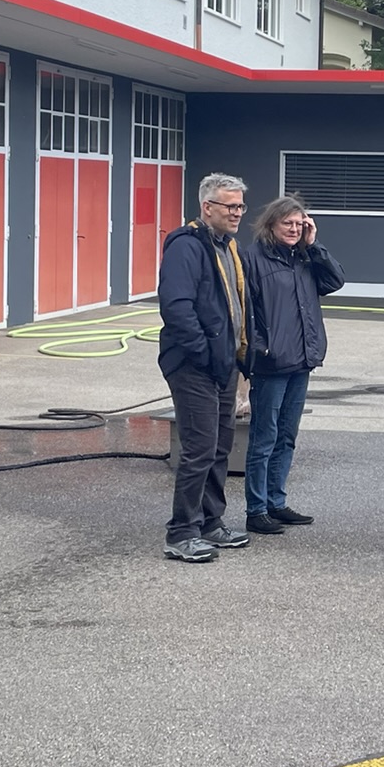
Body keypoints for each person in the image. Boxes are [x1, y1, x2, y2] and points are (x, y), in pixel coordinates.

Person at [157, 173, 255, 563]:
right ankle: (181, 533)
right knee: (198, 449)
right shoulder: (186, 247)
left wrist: (238, 358)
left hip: (224, 365)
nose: (237, 214)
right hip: (195, 365)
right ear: (206, 207)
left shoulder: (227, 247)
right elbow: (177, 307)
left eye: (240, 206)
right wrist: (202, 352)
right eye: (230, 206)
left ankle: (211, 523)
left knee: (219, 447)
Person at [241, 195, 345, 534]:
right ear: (271, 223)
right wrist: (260, 349)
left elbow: (335, 281)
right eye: (288, 223)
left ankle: (276, 502)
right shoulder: (252, 258)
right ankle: (256, 510)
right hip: (271, 364)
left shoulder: (304, 257)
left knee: (287, 436)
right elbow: (244, 310)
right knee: (264, 437)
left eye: (300, 225)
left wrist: (315, 245)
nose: (294, 229)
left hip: (301, 360)